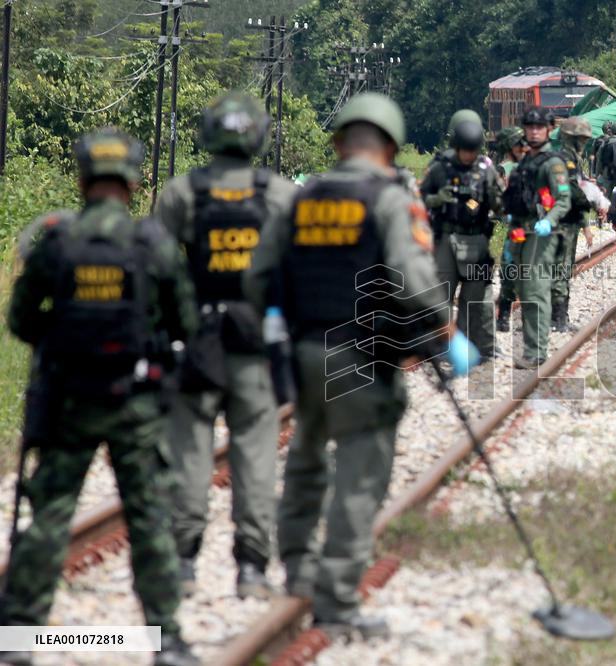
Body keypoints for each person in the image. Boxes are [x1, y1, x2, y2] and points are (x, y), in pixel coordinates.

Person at [244, 93, 471, 640]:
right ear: (391, 146)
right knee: (359, 477)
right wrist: (447, 330)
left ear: (339, 141)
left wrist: (280, 326)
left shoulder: (301, 198)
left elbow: (257, 278)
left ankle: (296, 568)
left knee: (303, 457)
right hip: (365, 356)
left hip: (305, 353)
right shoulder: (390, 198)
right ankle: (338, 601)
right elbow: (413, 275)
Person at [1, 129, 199, 666]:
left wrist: (60, 337)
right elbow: (185, 320)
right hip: (134, 402)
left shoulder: (57, 244)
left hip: (70, 400)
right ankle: (168, 639)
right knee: (148, 515)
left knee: (51, 513)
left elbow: (20, 320)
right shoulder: (152, 244)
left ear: (82, 179)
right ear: (133, 183)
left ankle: (19, 635)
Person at [155, 92, 294, 599]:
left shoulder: (181, 193)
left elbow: (156, 271)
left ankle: (183, 563)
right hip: (256, 345)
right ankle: (252, 569)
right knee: (255, 454)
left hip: (197, 345)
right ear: (258, 136)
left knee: (190, 452)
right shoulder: (279, 195)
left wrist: (164, 338)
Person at [422, 110, 503, 358]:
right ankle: (437, 348)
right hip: (446, 239)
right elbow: (419, 199)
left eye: (473, 150)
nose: (468, 156)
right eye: (465, 150)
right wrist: (437, 198)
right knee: (440, 296)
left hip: (477, 241)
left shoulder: (486, 169)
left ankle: (483, 347)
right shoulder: (439, 168)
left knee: (479, 299)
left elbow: (499, 203)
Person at [501, 106, 572, 369]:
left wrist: (548, 221)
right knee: (523, 288)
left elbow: (562, 200)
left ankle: (537, 352)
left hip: (541, 233)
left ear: (549, 130)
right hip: (521, 231)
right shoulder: (526, 161)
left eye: (539, 127)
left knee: (535, 291)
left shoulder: (552, 164)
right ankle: (533, 349)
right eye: (529, 127)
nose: (533, 131)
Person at [550, 116, 598, 332]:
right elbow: (571, 191)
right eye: (582, 140)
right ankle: (559, 319)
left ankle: (559, 316)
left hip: (569, 222)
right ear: (572, 139)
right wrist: (592, 199)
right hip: (561, 223)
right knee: (560, 270)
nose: (585, 144)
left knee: (562, 269)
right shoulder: (563, 160)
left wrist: (585, 226)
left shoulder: (572, 160)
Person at [494, 126, 528, 333]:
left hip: (535, 227)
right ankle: (504, 315)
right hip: (517, 228)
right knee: (509, 272)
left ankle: (531, 321)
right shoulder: (512, 169)